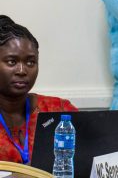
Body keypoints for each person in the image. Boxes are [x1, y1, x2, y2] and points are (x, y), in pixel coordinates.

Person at [0, 16, 77, 164]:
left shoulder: (58, 110)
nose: (22, 70)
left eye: (30, 62)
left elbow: (93, 149)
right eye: (12, 62)